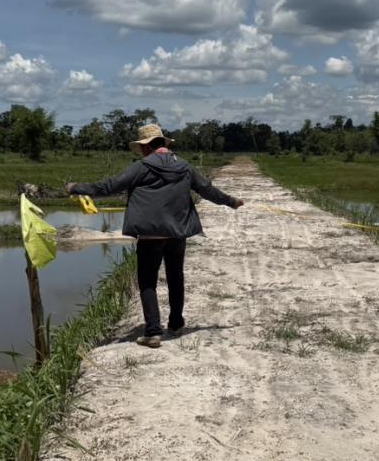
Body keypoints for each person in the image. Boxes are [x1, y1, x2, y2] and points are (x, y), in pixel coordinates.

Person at [65, 124, 244, 348]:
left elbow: (111, 186)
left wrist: (76, 188)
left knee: (147, 280)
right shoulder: (185, 167)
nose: (141, 152)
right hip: (178, 232)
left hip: (150, 234)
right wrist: (232, 202)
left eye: (141, 148)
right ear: (163, 144)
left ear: (147, 147)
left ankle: (152, 332)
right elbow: (207, 190)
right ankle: (176, 324)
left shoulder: (141, 167)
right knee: (175, 276)